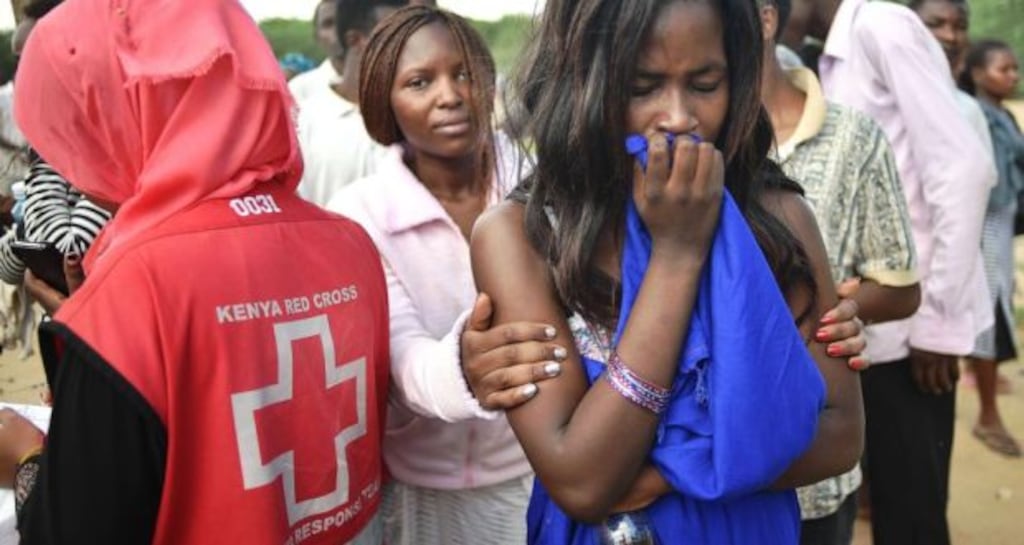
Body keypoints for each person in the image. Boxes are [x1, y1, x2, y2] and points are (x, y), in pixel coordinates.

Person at [469, 0, 864, 542]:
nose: (678, 117)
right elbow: (583, 482)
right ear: (579, 80)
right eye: (641, 86)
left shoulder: (779, 220)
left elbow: (841, 434)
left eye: (705, 84)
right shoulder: (525, 237)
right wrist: (677, 257)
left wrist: (660, 474)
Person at [0, 1, 391, 544]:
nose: (70, 162)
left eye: (76, 128)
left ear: (123, 117)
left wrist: (27, 455)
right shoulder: (352, 244)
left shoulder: (129, 296)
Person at [785, 0, 997, 543]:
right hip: (863, 337)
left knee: (912, 515)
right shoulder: (830, 53)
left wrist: (937, 325)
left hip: (909, 339)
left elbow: (962, 169)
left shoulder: (881, 25)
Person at [329, 7, 537, 543]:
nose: (450, 95)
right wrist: (461, 369)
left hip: (544, 473)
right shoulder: (361, 215)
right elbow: (398, 354)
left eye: (464, 73)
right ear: (385, 103)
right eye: (420, 82)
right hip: (425, 490)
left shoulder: (546, 195)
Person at [758, 0, 922, 542]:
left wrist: (833, 309)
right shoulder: (687, 139)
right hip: (704, 475)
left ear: (762, 17)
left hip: (815, 475)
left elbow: (901, 289)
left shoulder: (856, 137)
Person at [959, 38, 1024, 457]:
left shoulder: (1003, 116)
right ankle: (986, 413)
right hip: (982, 222)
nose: (1012, 76)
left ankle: (986, 378)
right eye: (1004, 69)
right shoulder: (975, 115)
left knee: (999, 298)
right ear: (979, 74)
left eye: (1015, 69)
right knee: (989, 309)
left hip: (1001, 221)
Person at [295, 0, 405, 208]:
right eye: (394, 36)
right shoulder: (302, 124)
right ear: (355, 40)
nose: (408, 45)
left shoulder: (410, 118)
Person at [287, 0, 345, 103]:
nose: (338, 30)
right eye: (328, 24)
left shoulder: (380, 83)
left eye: (344, 22)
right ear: (317, 37)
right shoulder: (299, 90)